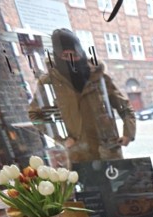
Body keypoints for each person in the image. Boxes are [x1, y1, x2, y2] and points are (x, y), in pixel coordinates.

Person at [29, 29, 136, 163]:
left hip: (109, 151)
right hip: (78, 155)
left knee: (119, 182)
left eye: (74, 54)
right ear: (57, 56)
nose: (72, 60)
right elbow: (35, 115)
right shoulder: (49, 83)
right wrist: (60, 139)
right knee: (88, 183)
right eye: (65, 55)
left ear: (81, 52)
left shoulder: (99, 78)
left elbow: (124, 107)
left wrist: (128, 133)